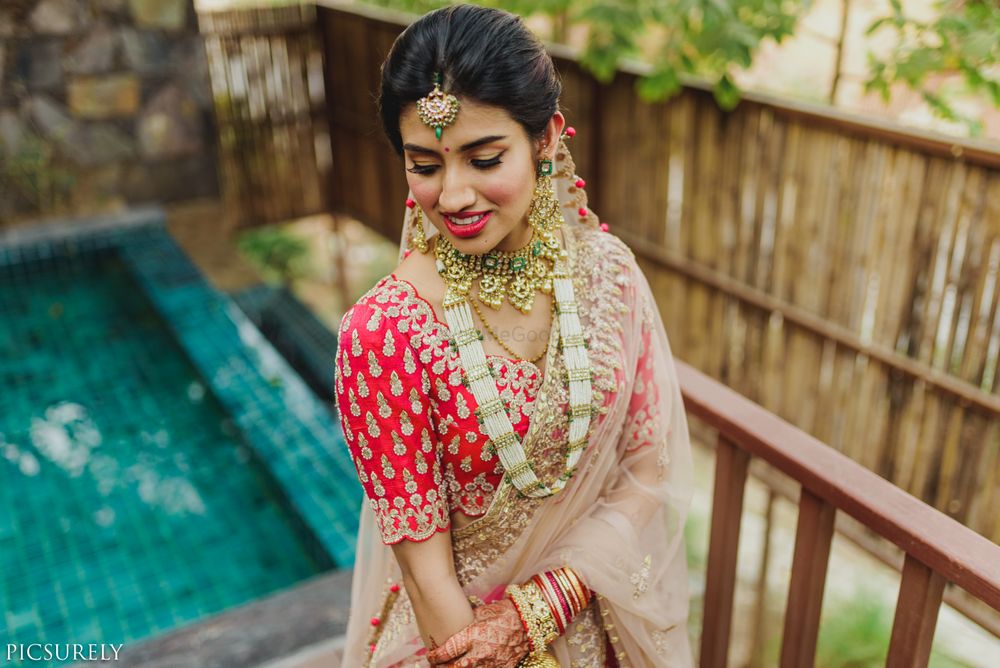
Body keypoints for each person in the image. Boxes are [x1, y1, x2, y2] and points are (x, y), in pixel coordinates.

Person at [333, 5, 693, 666]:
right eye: (426, 165)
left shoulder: (609, 277)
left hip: (596, 617)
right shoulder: (384, 334)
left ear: (546, 138)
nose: (455, 195)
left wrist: (547, 603)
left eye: (484, 157)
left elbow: (649, 467)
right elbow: (423, 570)